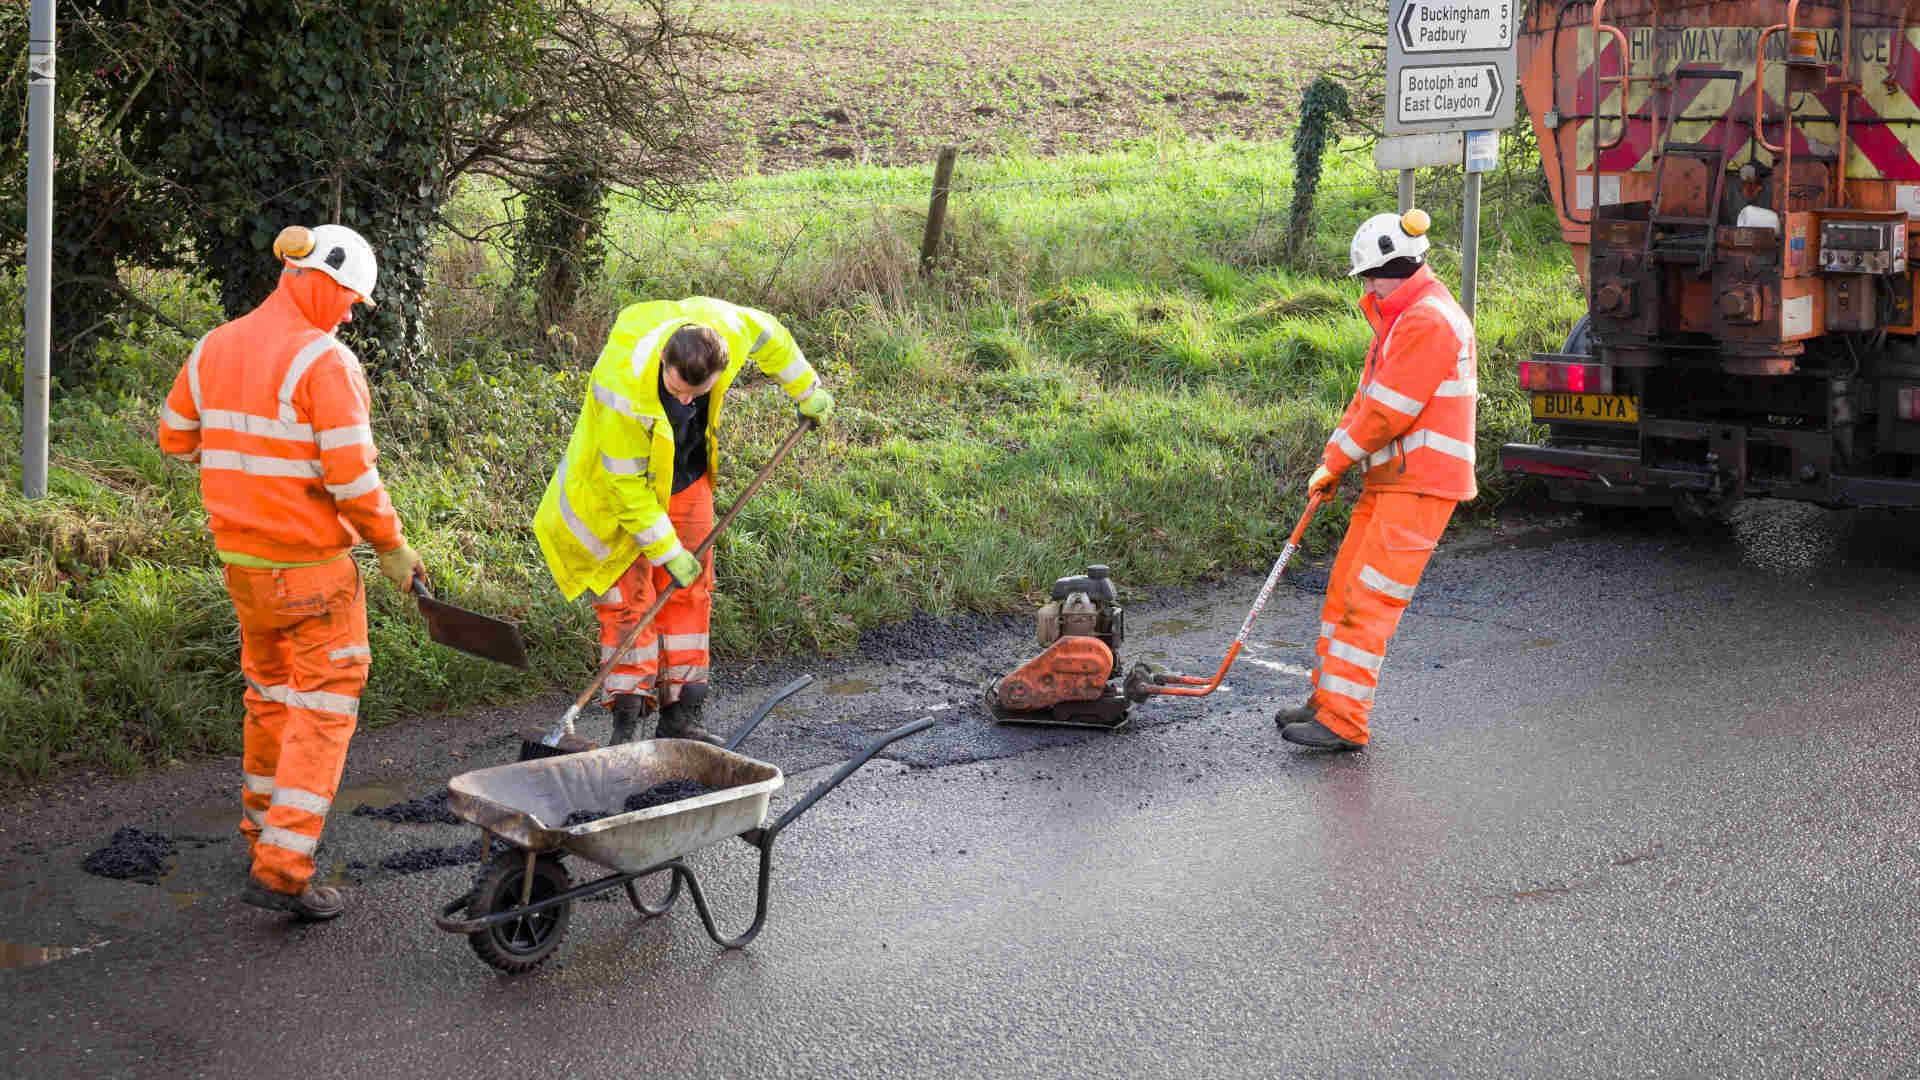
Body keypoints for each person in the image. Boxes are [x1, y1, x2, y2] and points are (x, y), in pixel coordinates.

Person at [158, 224, 423, 919]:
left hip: (244, 568)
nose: (347, 315)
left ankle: (260, 832)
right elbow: (353, 482)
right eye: (348, 302)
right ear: (321, 281)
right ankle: (282, 868)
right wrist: (392, 547)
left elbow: (174, 436)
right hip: (312, 571)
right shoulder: (324, 364)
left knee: (269, 697)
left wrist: (244, 481)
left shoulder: (215, 345)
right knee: (324, 706)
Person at [535, 298, 833, 745]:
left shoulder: (729, 329)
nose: (686, 400)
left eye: (698, 393)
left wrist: (809, 392)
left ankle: (681, 717)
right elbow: (628, 491)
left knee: (691, 592)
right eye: (676, 391)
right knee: (628, 601)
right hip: (613, 492)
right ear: (662, 361)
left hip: (684, 475)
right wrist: (667, 551)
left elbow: (773, 337)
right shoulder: (623, 387)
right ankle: (626, 726)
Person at [1276, 209, 1477, 752]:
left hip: (1420, 486)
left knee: (1368, 602)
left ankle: (1344, 722)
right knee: (1344, 587)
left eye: (1368, 278)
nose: (1367, 289)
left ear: (1391, 269)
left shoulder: (1427, 321)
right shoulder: (1402, 318)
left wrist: (1337, 462)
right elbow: (1365, 404)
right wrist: (1331, 462)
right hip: (1391, 481)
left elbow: (1389, 412)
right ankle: (1326, 701)